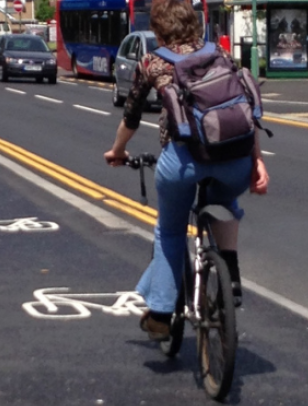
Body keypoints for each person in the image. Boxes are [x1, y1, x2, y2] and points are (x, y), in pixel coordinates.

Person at [104, 0, 269, 340]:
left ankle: (162, 312)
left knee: (170, 229)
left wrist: (117, 151)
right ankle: (231, 277)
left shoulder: (153, 62)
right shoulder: (220, 56)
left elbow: (131, 116)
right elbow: (245, 111)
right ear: (195, 25)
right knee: (227, 207)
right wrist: (257, 161)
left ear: (159, 29)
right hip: (235, 158)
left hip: (183, 160)